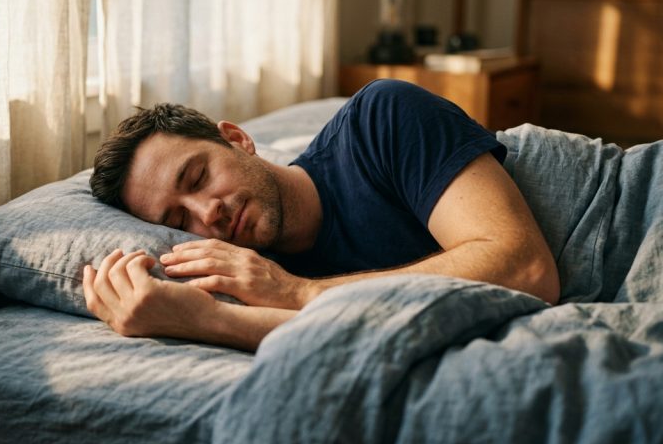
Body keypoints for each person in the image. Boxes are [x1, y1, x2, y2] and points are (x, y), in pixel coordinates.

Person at [83, 80, 559, 351]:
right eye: (179, 222)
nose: (209, 213)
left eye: (198, 177)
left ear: (237, 139)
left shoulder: (381, 118)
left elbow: (526, 269)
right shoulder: (247, 280)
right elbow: (368, 326)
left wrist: (297, 293)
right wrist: (202, 319)